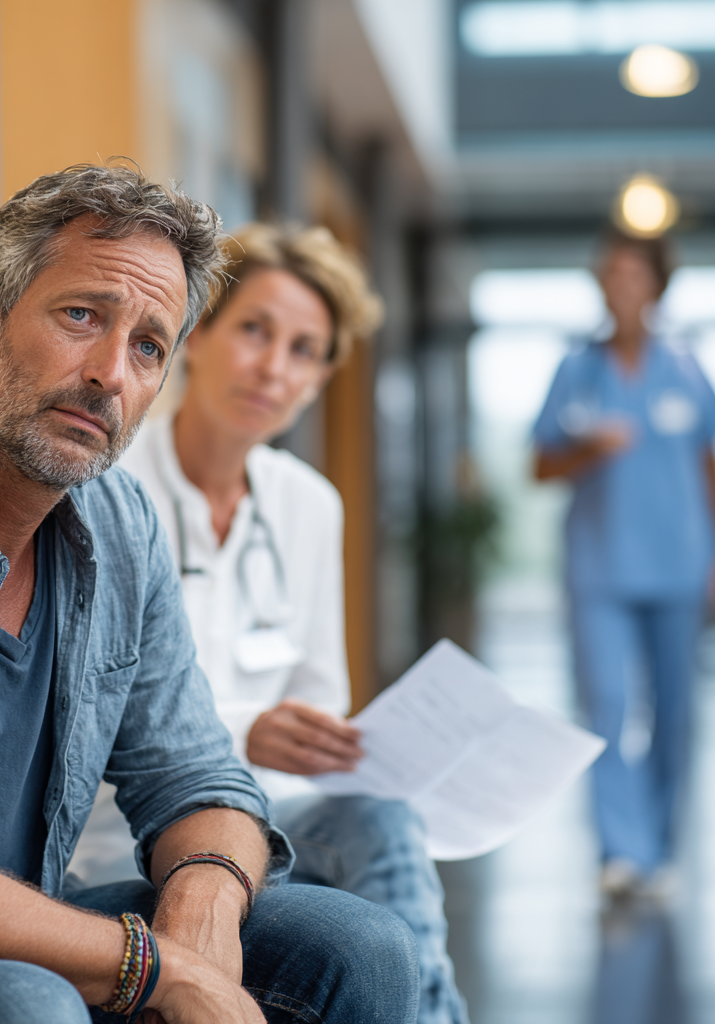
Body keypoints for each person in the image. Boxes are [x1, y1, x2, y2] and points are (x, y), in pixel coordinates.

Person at [0, 165, 419, 1024]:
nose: (111, 372)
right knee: (23, 1004)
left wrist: (203, 909)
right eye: (81, 316)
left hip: (19, 939)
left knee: (357, 948)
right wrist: (161, 969)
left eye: (148, 346)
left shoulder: (117, 520)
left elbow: (199, 776)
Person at [71, 222, 469, 1024]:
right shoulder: (103, 484)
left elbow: (321, 708)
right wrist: (247, 731)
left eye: (303, 350)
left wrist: (341, 744)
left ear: (320, 378)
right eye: (255, 329)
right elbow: (79, 711)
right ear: (199, 331)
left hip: (270, 821)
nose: (273, 367)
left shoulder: (307, 504)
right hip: (122, 832)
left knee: (383, 819)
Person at [533, 229, 715, 899]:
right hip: (601, 570)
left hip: (681, 567)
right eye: (611, 274)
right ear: (600, 285)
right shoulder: (576, 371)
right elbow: (540, 465)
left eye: (635, 274)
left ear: (656, 285)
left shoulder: (685, 368)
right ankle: (622, 853)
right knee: (607, 707)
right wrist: (588, 449)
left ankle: (661, 847)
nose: (622, 285)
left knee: (676, 712)